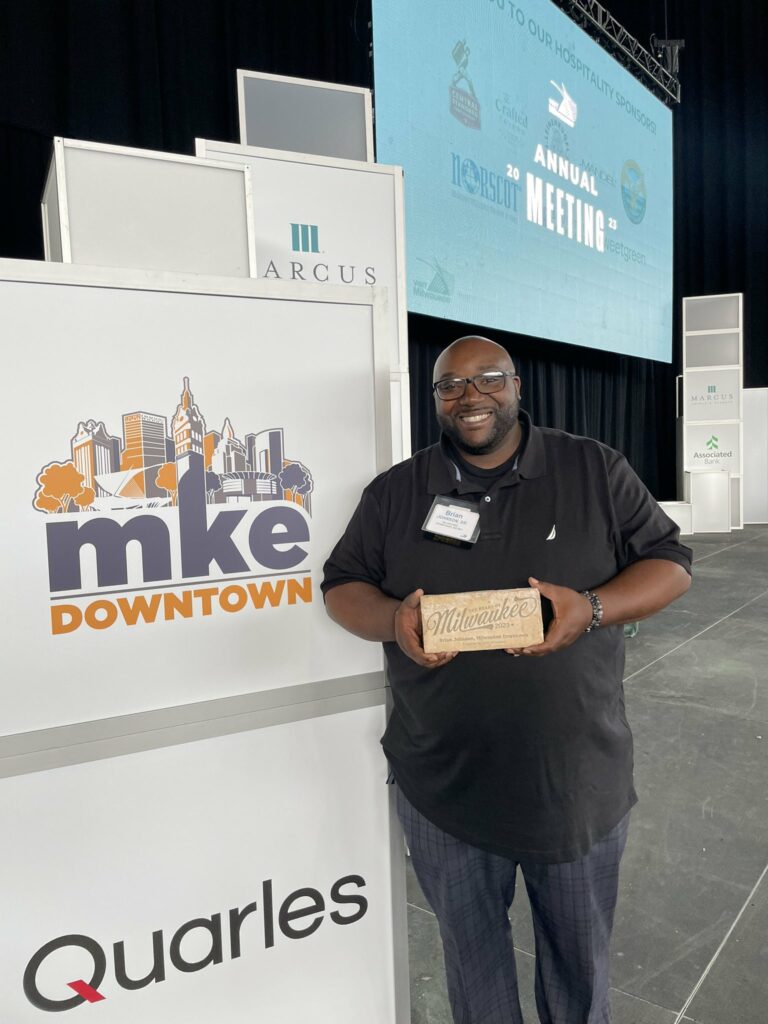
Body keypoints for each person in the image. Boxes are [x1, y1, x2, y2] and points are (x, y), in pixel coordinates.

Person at [321, 336, 692, 1024]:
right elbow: (342, 585)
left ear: (517, 386)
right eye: (451, 385)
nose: (471, 397)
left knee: (579, 972)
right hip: (445, 786)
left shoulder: (592, 469)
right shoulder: (397, 491)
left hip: (573, 781)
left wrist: (593, 608)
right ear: (435, 399)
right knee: (474, 973)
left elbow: (670, 561)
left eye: (488, 379)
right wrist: (393, 621)